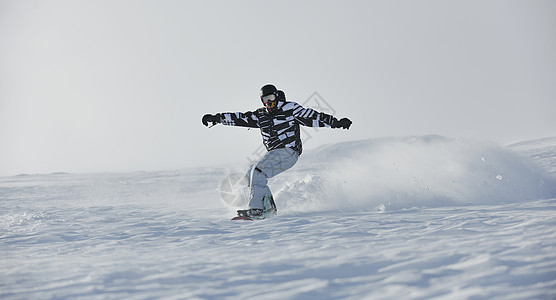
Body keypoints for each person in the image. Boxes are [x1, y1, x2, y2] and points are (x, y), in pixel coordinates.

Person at [202, 84, 352, 219]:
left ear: (277, 96)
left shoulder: (290, 109)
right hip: (274, 154)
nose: (269, 102)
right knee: (251, 175)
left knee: (258, 172)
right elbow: (240, 118)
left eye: (271, 97)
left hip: (288, 150)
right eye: (265, 99)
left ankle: (257, 210)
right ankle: (268, 207)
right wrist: (217, 118)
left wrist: (336, 122)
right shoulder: (261, 115)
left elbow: (312, 116)